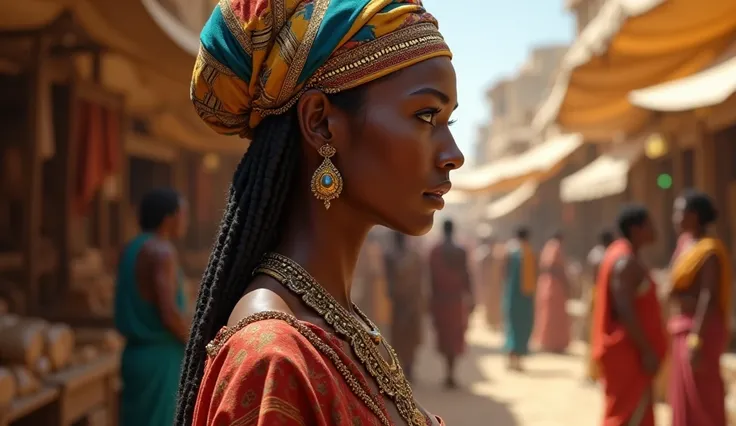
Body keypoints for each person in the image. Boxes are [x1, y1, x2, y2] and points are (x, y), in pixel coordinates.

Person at [175, 1, 464, 425]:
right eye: (426, 115)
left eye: (449, 122)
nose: (453, 155)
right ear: (322, 124)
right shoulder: (272, 360)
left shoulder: (346, 324)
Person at [115, 188, 190, 426]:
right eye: (183, 214)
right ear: (169, 219)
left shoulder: (130, 248)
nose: (185, 221)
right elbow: (169, 315)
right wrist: (197, 343)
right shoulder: (161, 251)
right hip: (160, 360)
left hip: (134, 357)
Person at [591, 204, 667, 426]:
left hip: (631, 353)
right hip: (629, 354)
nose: (655, 230)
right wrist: (646, 351)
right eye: (649, 225)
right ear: (636, 229)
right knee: (627, 415)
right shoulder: (625, 263)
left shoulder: (624, 256)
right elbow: (625, 310)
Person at [669, 189, 731, 426]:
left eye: (679, 212)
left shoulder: (709, 251)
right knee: (683, 394)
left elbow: (708, 297)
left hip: (700, 332)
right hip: (681, 327)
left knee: (703, 396)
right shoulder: (684, 245)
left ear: (694, 216)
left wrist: (696, 339)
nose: (675, 217)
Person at [428, 219, 473, 389]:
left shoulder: (435, 252)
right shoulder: (461, 251)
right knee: (455, 334)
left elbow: (431, 280)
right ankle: (451, 373)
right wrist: (471, 296)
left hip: (440, 300)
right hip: (456, 300)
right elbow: (467, 276)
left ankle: (448, 373)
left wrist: (430, 302)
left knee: (445, 335)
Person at [385, 231, 425, 382]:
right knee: (406, 337)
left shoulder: (390, 256)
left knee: (402, 337)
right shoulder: (414, 256)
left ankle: (406, 368)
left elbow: (389, 284)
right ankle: (407, 368)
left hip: (402, 303)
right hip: (407, 303)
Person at [502, 226, 536, 371]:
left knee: (512, 325)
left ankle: (511, 358)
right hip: (526, 296)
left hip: (512, 294)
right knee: (523, 326)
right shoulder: (529, 253)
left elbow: (505, 272)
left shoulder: (510, 252)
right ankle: (518, 360)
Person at [584, 230, 615, 382]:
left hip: (594, 292)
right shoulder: (609, 255)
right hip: (602, 295)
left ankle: (593, 371)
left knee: (593, 332)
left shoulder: (594, 254)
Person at [533, 230, 571, 353]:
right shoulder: (555, 247)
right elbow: (553, 266)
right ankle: (551, 343)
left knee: (549, 314)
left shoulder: (547, 247)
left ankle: (549, 342)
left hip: (547, 284)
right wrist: (565, 282)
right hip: (554, 285)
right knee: (552, 315)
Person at [474, 231, 503, 331]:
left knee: (491, 303)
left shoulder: (489, 251)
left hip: (491, 281)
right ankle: (490, 322)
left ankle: (492, 322)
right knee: (488, 303)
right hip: (487, 281)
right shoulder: (484, 252)